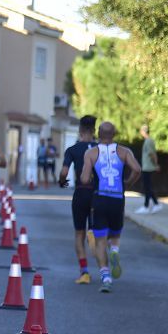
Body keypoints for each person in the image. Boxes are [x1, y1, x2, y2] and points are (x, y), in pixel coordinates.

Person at [80, 121, 141, 293]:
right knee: (115, 234)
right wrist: (127, 183)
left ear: (98, 134)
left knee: (100, 240)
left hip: (100, 198)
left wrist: (91, 176)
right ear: (114, 134)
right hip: (117, 198)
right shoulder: (124, 152)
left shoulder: (91, 153)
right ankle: (114, 250)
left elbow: (84, 179)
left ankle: (105, 276)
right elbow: (137, 169)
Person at [59, 115, 99, 284]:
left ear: (80, 131)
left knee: (78, 234)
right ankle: (95, 236)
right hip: (98, 194)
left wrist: (62, 182)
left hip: (81, 193)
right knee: (99, 232)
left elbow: (63, 172)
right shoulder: (101, 149)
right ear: (94, 131)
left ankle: (84, 272)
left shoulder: (72, 149)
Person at [136, 124, 162, 214]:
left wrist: (156, 165)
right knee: (147, 187)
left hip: (148, 167)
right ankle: (152, 205)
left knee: (147, 186)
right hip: (146, 167)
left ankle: (149, 205)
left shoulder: (148, 141)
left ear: (143, 131)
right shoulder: (148, 141)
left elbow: (152, 154)